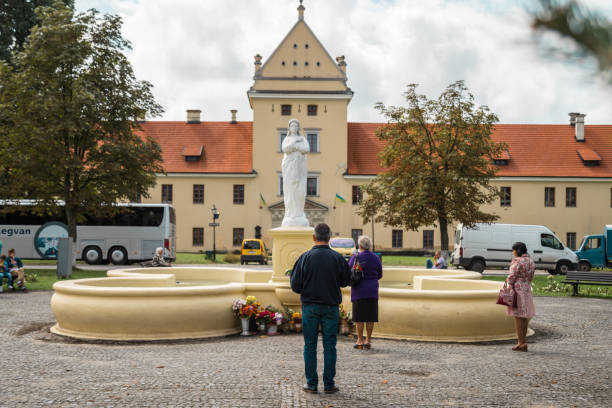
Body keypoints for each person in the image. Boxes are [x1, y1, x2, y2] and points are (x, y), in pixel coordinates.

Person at [290, 223, 351, 394]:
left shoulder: (304, 257)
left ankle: (311, 383)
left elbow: (295, 285)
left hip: (310, 306)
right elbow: (346, 281)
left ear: (314, 237)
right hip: (330, 306)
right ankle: (329, 384)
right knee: (330, 346)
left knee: (310, 346)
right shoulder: (337, 258)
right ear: (329, 238)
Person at [348, 235, 383, 350]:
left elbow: (349, 272)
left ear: (360, 245)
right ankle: (368, 340)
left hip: (359, 290)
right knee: (370, 317)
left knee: (359, 317)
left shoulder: (355, 257)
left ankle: (359, 340)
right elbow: (380, 274)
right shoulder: (376, 258)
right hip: (372, 291)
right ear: (369, 246)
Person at [506, 241, 535, 352]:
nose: (512, 252)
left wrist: (509, 283)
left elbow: (512, 276)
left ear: (517, 250)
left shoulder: (517, 261)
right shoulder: (531, 261)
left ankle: (521, 343)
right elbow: (531, 276)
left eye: (513, 250)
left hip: (517, 290)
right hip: (526, 289)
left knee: (518, 316)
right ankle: (523, 342)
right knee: (524, 316)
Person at [281, 118, 310, 227]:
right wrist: (295, 143)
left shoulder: (302, 138)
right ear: (289, 128)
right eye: (292, 126)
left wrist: (295, 146)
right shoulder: (287, 139)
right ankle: (290, 214)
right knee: (290, 190)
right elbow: (285, 148)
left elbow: (306, 149)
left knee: (301, 191)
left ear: (298, 127)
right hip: (289, 167)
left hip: (300, 168)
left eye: (296, 126)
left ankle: (299, 213)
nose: (294, 128)